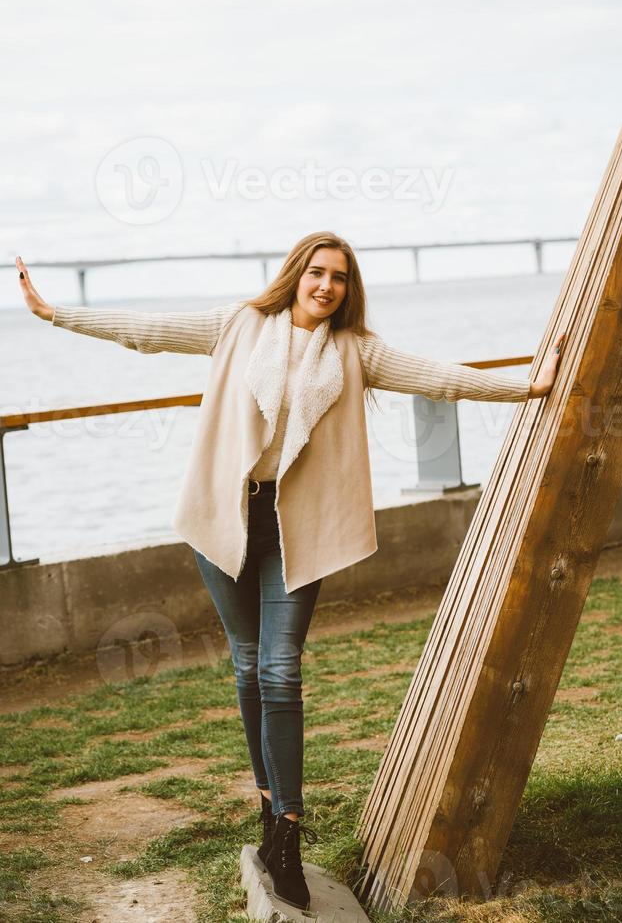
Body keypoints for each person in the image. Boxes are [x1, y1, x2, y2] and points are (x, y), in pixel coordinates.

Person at [16, 232, 564, 912]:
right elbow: (146, 331)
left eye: (338, 277)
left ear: (347, 289)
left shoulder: (357, 352)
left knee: (281, 668)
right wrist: (54, 313)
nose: (326, 285)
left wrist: (527, 386)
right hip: (227, 519)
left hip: (295, 531)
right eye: (316, 272)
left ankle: (291, 833)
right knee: (248, 664)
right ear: (295, 276)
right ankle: (269, 810)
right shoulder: (240, 325)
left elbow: (439, 377)